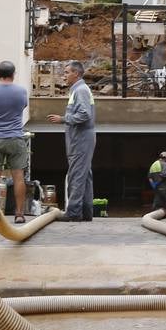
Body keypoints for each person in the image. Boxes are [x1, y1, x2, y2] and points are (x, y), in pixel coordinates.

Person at [0, 60, 30, 224]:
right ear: (13, 74)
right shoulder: (21, 91)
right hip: (15, 137)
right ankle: (19, 214)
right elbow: (22, 107)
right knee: (18, 177)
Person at [48, 60, 95, 221]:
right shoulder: (79, 89)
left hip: (80, 140)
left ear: (76, 73)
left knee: (76, 175)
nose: (64, 76)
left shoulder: (80, 90)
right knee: (84, 175)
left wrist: (62, 119)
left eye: (67, 72)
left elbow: (84, 114)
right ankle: (87, 212)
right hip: (82, 138)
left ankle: (73, 213)